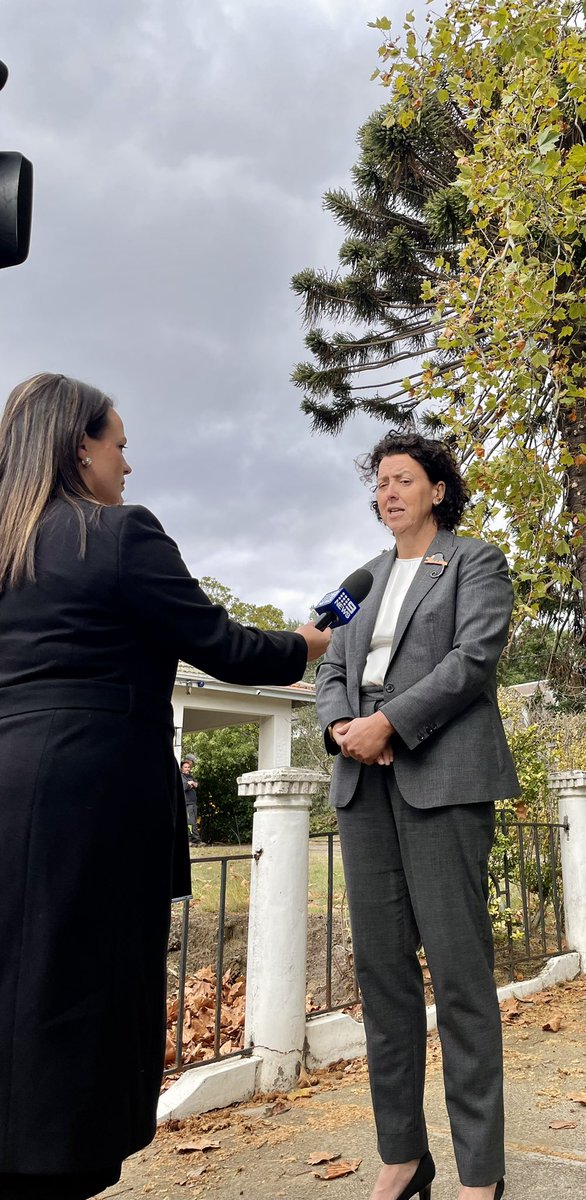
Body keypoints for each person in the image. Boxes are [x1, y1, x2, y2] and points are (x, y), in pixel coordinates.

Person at [0, 373, 331, 1200]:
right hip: (91, 792)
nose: (128, 466)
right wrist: (305, 643)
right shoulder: (115, 534)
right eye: (120, 444)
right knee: (81, 988)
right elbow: (223, 647)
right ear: (81, 446)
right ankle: (59, 1165)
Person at [316, 431, 519, 1200]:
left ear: (437, 490)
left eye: (403, 479)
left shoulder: (476, 561)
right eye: (380, 483)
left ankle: (480, 1173)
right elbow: (331, 662)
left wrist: (390, 722)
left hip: (442, 778)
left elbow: (473, 660)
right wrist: (342, 726)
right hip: (361, 786)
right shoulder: (357, 580)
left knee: (462, 979)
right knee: (383, 978)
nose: (388, 492)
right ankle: (403, 1156)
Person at [181, 758, 201, 844]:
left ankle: (193, 840)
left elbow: (196, 784)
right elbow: (183, 787)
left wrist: (193, 784)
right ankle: (194, 840)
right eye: (185, 767)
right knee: (190, 822)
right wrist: (189, 785)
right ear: (182, 768)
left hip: (193, 803)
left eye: (188, 767)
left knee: (194, 822)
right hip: (187, 803)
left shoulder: (190, 776)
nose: (187, 769)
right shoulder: (180, 776)